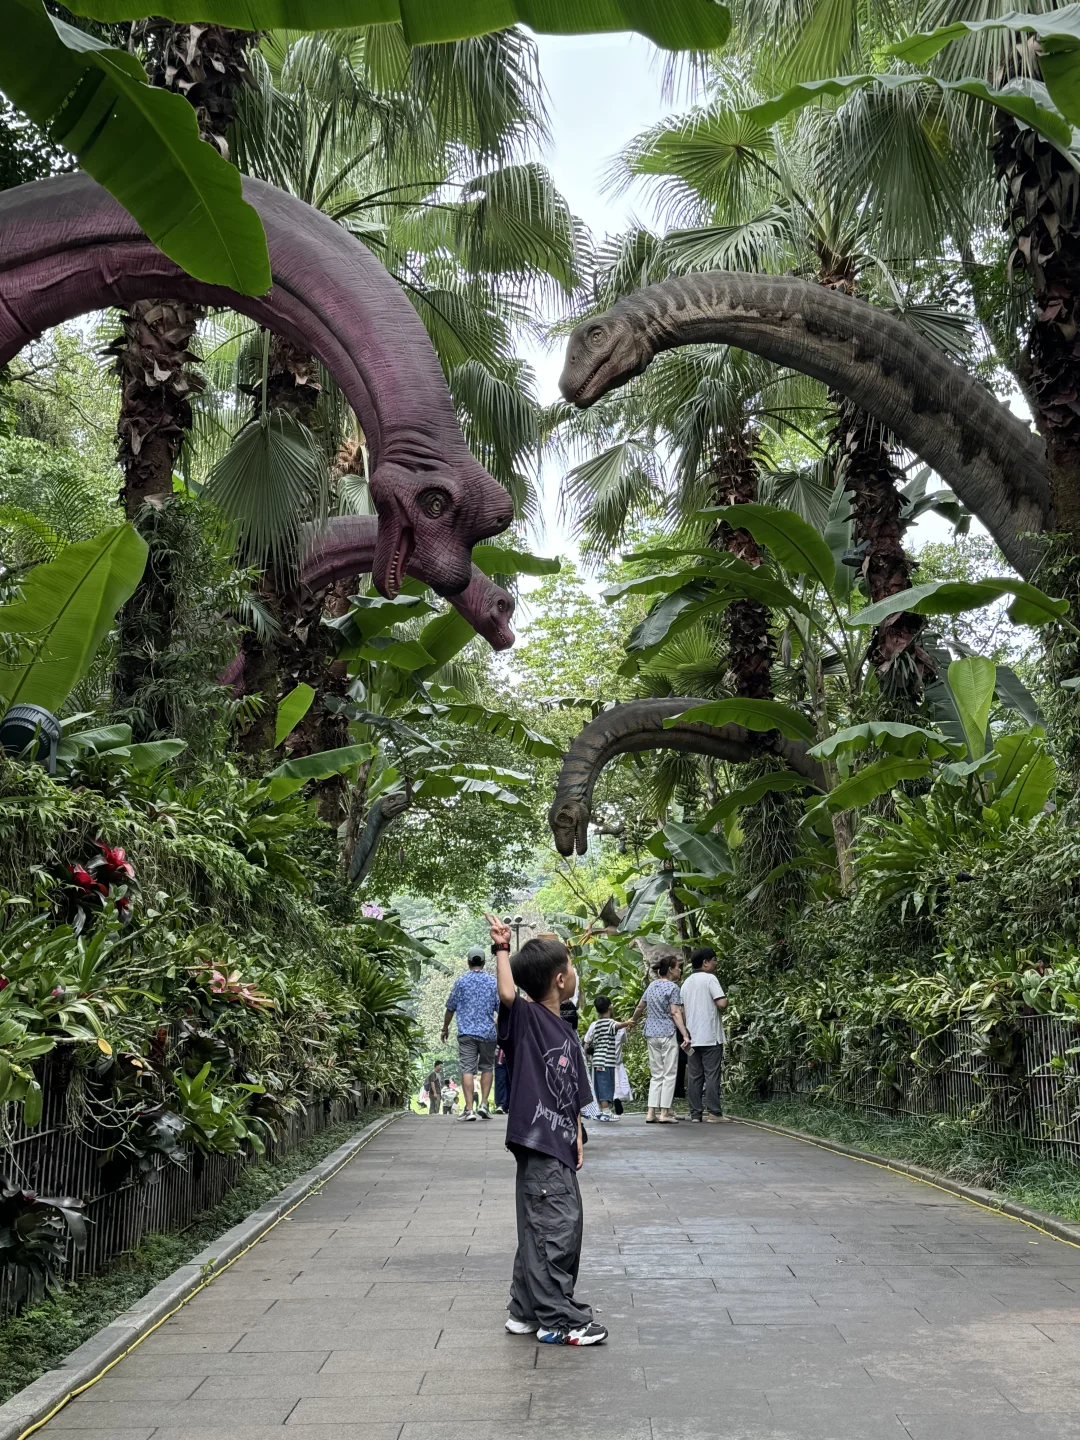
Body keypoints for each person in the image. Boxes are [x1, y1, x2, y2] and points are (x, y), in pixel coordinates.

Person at [487, 912, 608, 1347]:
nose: (575, 974)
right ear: (560, 979)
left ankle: (523, 1311)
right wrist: (503, 947)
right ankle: (560, 1318)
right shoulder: (528, 1018)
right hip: (538, 1140)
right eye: (572, 968)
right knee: (555, 1227)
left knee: (543, 1224)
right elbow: (506, 991)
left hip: (557, 1140)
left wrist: (576, 1130)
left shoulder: (563, 1026)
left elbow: (571, 1089)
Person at [630, 955, 691, 1124]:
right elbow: (675, 1012)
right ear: (671, 969)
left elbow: (640, 1006)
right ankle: (664, 1112)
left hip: (651, 1033)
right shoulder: (673, 988)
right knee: (669, 1074)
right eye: (678, 967)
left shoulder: (652, 985)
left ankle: (651, 1112)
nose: (679, 970)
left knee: (656, 1074)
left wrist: (632, 1022)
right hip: (667, 1033)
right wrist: (685, 1034)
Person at [441, 945, 499, 1121]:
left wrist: (445, 1028)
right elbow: (501, 1008)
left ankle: (468, 1109)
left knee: (467, 1069)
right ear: (483, 962)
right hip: (488, 1033)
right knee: (487, 1067)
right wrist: (496, 1024)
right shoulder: (492, 982)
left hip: (466, 1034)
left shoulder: (461, 982)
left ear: (468, 962)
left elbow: (450, 1008)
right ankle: (483, 1105)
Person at [680, 947, 730, 1123]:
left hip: (692, 1037)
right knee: (712, 1075)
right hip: (710, 1036)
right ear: (705, 963)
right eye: (714, 959)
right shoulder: (710, 979)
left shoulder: (686, 983)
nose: (716, 963)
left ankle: (695, 1114)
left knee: (695, 1076)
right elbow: (722, 1003)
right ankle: (714, 1113)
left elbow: (682, 1011)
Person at [583, 995, 631, 1122]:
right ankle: (606, 1112)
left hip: (598, 1060)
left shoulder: (596, 1024)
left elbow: (587, 1042)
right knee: (605, 1085)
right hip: (605, 1060)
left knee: (602, 1085)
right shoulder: (610, 1023)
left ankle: (603, 1110)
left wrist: (586, 1056)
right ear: (610, 1006)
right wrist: (628, 1022)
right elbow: (617, 1026)